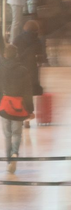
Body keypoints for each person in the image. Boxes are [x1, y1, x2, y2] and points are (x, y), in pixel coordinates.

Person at [0, 45, 34, 173]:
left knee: (7, 134)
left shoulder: (1, 69)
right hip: (19, 106)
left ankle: (9, 160)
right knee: (17, 133)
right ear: (16, 55)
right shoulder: (23, 70)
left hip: (4, 105)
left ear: (5, 55)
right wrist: (30, 110)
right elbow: (27, 91)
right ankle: (15, 154)